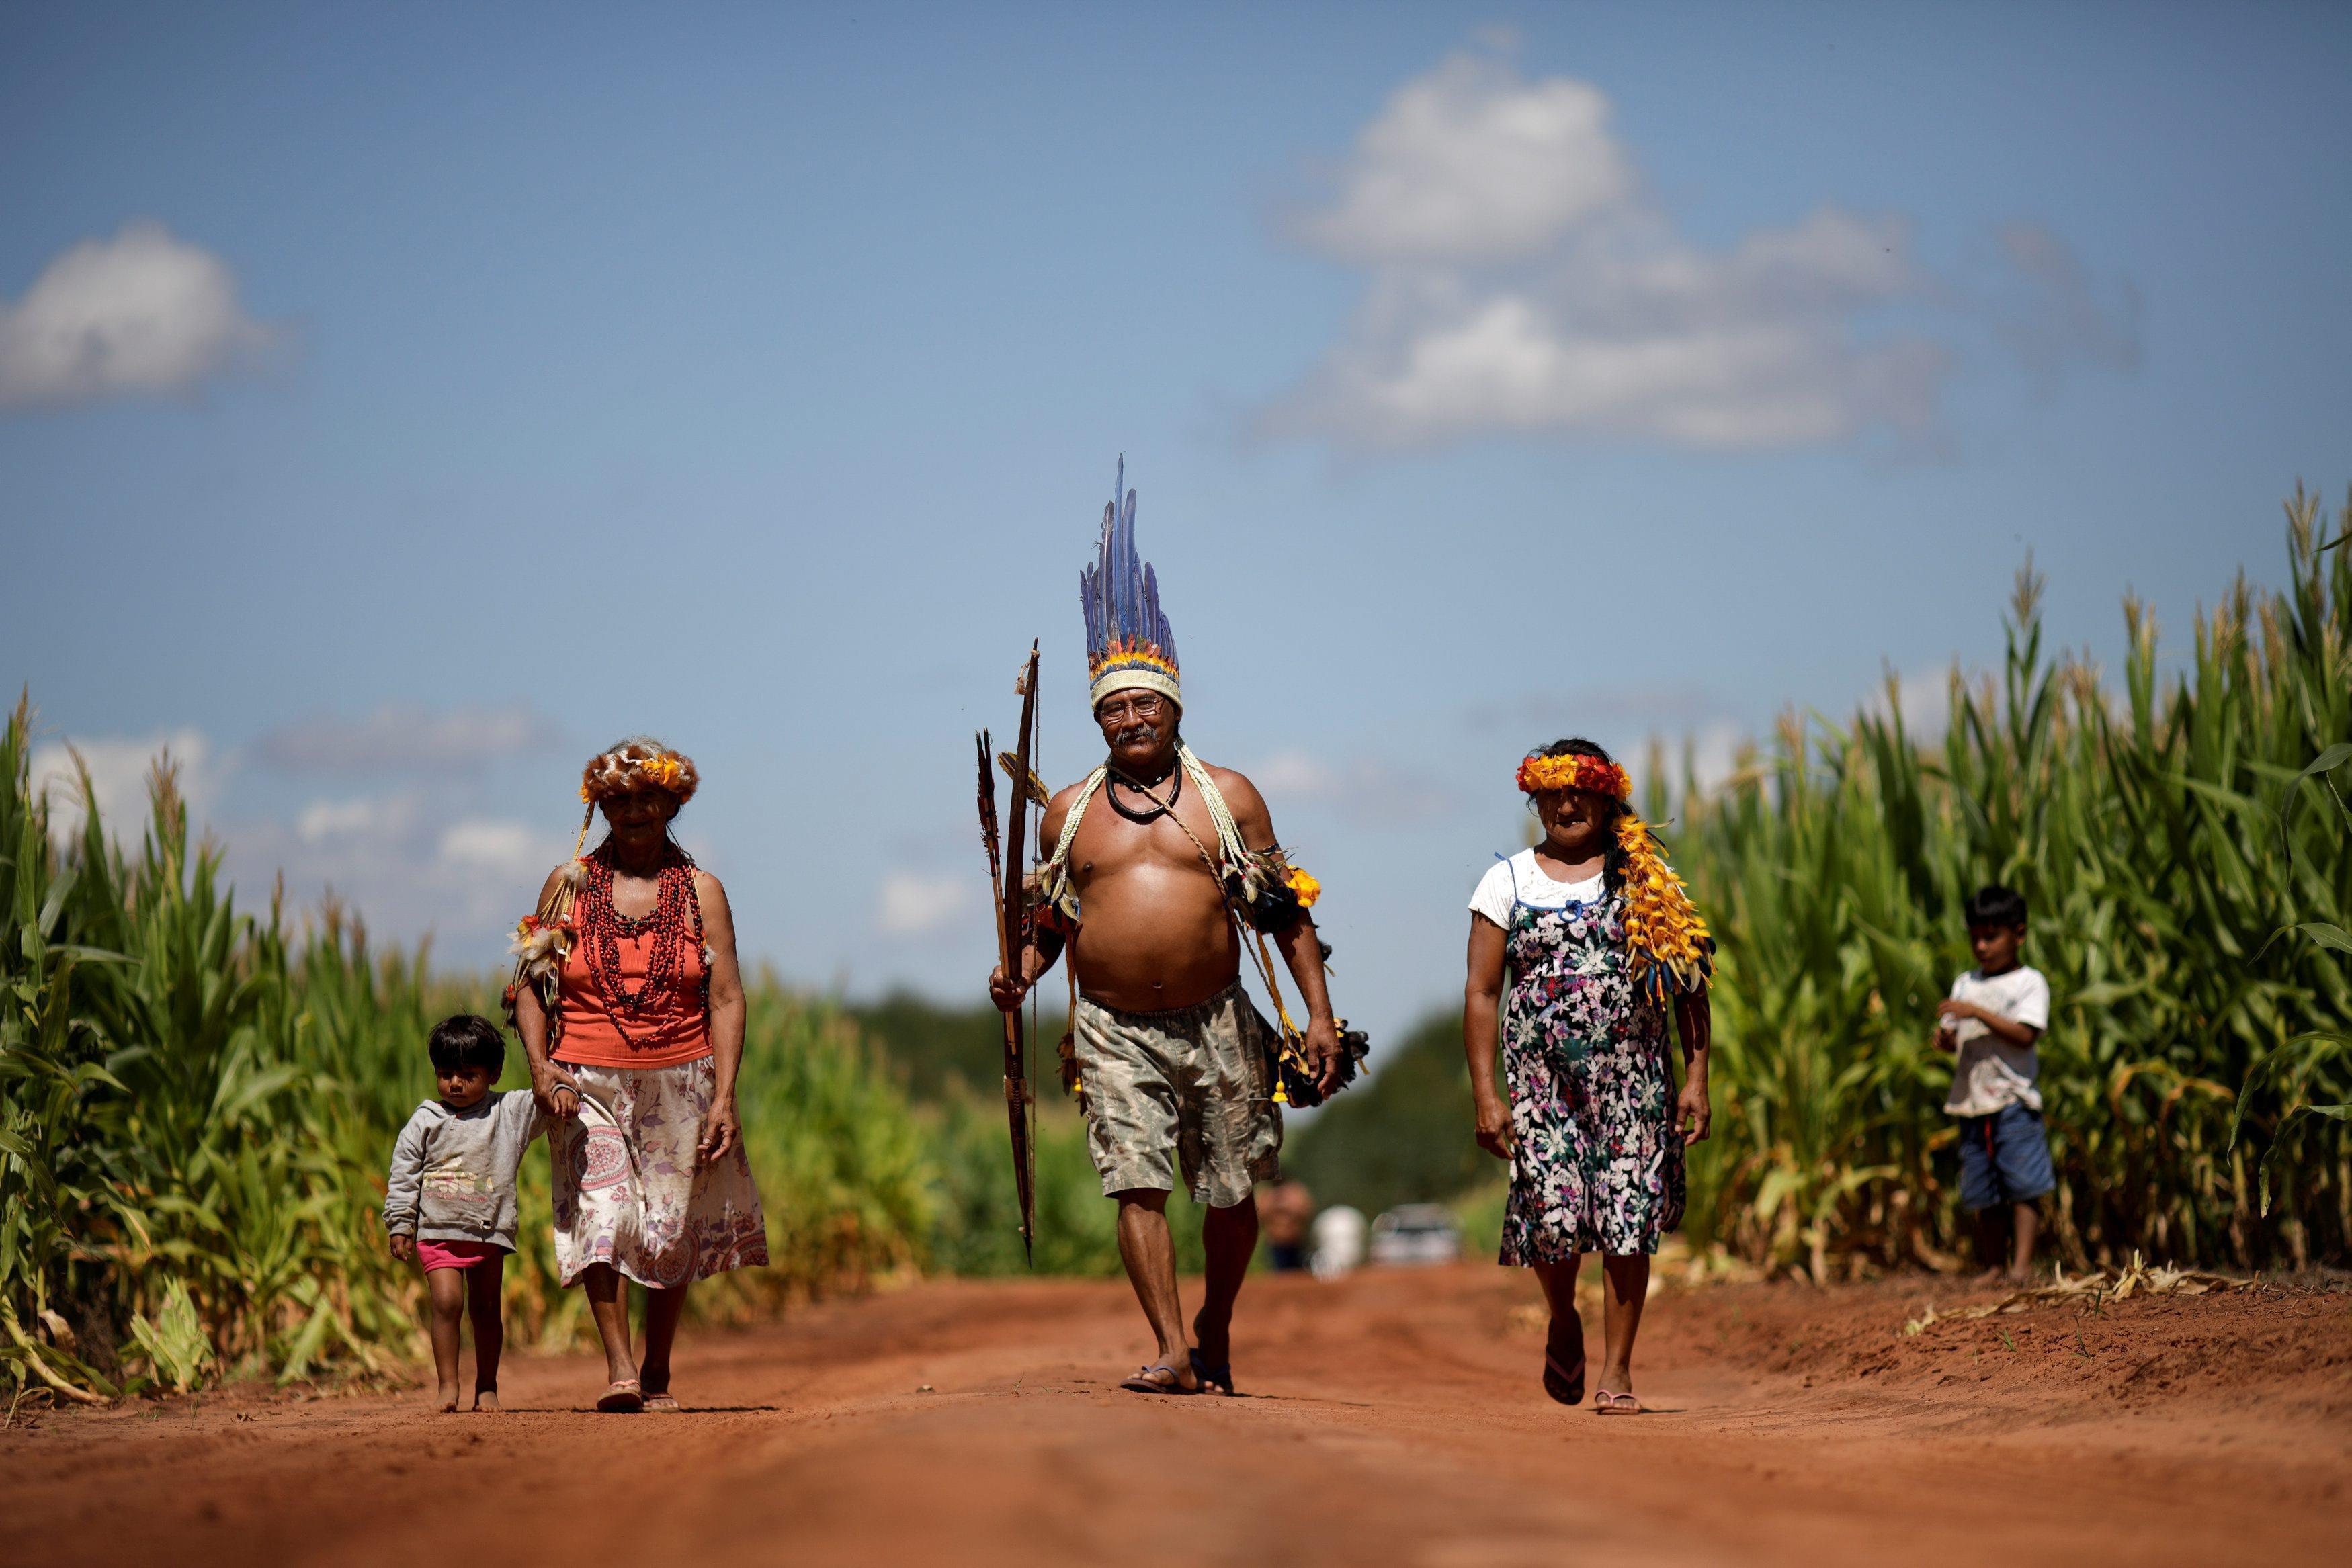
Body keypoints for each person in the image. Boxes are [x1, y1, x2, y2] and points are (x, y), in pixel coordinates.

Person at [991, 460, 1349, 1397]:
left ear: (1174, 706)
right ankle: (1169, 1346)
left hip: (1218, 1020)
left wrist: (1319, 1013)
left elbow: (1281, 912)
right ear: (1099, 720)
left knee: (1233, 1192)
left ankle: (1216, 1323)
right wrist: (1021, 973)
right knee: (1135, 1182)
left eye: (1145, 702)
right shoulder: (1068, 813)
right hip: (1112, 1026)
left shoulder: (1227, 800)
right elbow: (1053, 920)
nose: (1130, 717)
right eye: (1113, 707)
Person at [508, 738, 769, 1413]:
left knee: (670, 1226)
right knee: (605, 1213)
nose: (631, 812)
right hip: (585, 1083)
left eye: (645, 799)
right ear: (600, 808)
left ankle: (657, 1365)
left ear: (671, 803)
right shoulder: (568, 887)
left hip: (682, 1081)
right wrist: (542, 1071)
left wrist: (726, 1097)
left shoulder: (701, 893)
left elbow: (727, 998)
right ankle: (619, 1367)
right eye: (617, 801)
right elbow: (529, 987)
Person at [1462, 739, 1714, 1415]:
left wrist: (1695, 1080)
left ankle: (1618, 1371)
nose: (1565, 804)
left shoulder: (1644, 880)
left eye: (1580, 791)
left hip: (1633, 1085)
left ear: (1606, 798)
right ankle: (1562, 1318)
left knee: (1627, 1218)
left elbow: (1688, 986)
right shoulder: (1505, 882)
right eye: (1552, 792)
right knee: (1551, 1216)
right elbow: (1483, 992)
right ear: (1534, 799)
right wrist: (1487, 1095)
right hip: (1541, 1089)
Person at [382, 1014, 550, 1413]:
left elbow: (546, 1098)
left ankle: (487, 1386)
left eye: (467, 1074)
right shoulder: (425, 1120)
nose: (454, 1083)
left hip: (488, 1232)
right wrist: (401, 1222)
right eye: (445, 1074)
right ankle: (448, 1386)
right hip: (437, 1231)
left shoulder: (508, 1112)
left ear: (493, 1073)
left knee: (487, 1309)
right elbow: (404, 1172)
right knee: (447, 1303)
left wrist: (558, 1084)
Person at [1935, 883, 2053, 1285]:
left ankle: (2021, 1267)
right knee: (1984, 1190)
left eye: (1991, 937)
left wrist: (1978, 1014)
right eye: (1975, 939)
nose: (1982, 947)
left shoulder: (2029, 983)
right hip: (1972, 1103)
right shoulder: (1965, 984)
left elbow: (2026, 1035)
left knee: (2023, 1186)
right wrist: (1946, 1040)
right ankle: (1993, 1266)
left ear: (2019, 935)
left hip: (2014, 1102)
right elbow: (1954, 1040)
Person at [1257, 1179, 1316, 1272]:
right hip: (1276, 1244)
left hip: (1296, 1242)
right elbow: (1260, 1213)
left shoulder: (1295, 1192)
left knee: (1299, 1271)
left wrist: (1288, 1206)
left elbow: (1306, 1210)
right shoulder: (1266, 1194)